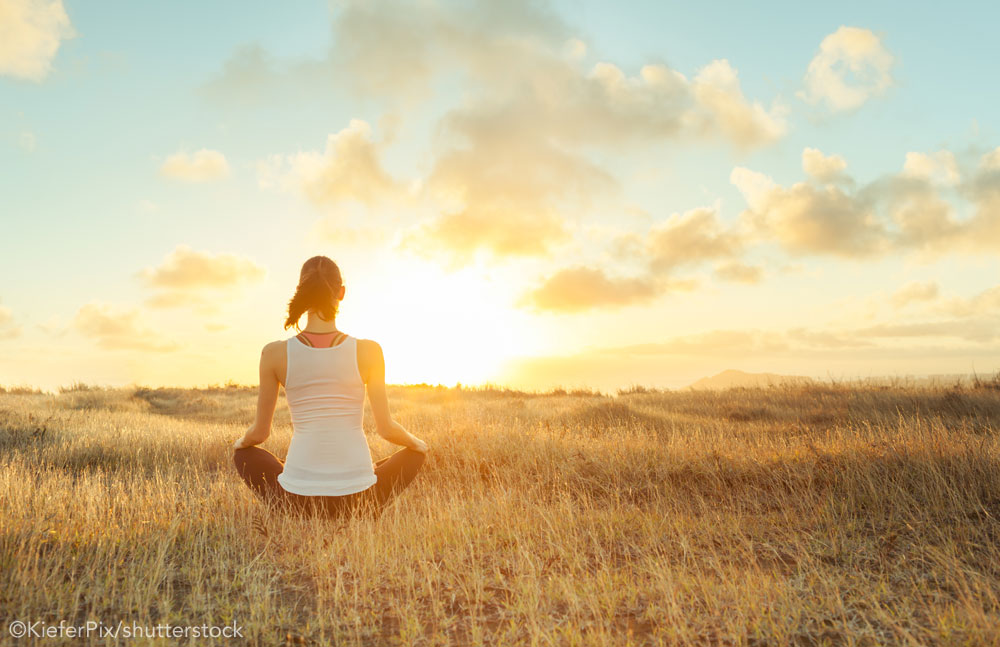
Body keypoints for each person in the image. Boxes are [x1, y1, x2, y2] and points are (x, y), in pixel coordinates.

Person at [232, 255, 428, 521]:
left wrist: (240, 443)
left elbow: (260, 433)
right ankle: (363, 507)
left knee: (245, 455)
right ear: (341, 293)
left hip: (297, 500)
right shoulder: (369, 350)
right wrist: (418, 445)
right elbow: (386, 429)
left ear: (300, 292)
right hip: (359, 498)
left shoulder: (274, 353)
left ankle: (294, 506)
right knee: (412, 455)